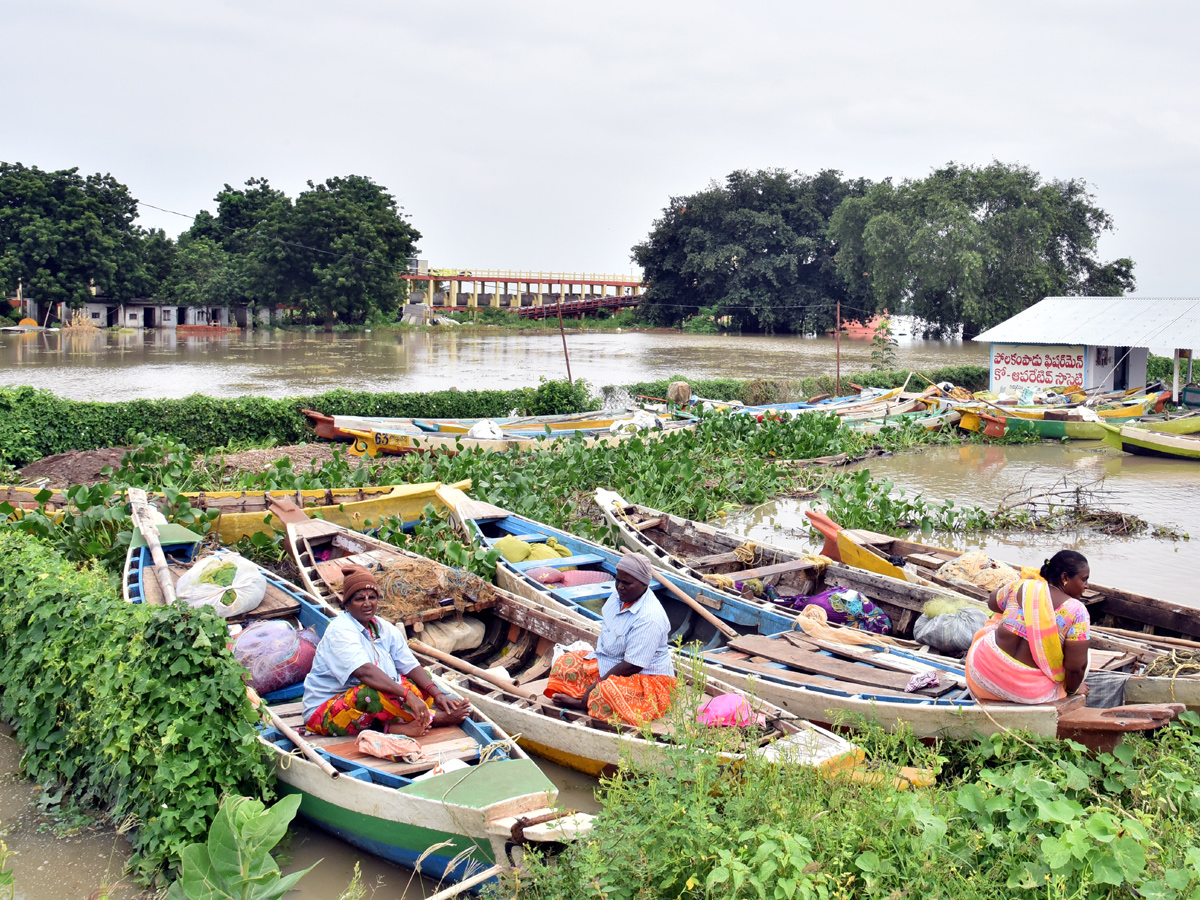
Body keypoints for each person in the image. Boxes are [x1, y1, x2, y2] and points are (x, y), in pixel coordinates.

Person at [303, 564, 471, 737]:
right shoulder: (340, 630)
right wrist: (407, 696)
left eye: (372, 597)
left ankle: (397, 725)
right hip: (326, 710)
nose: (367, 604)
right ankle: (434, 719)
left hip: (364, 703)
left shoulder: (383, 627)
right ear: (347, 604)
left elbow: (409, 665)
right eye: (359, 599)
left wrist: (438, 694)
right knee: (368, 694)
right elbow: (365, 673)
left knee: (419, 678)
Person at [546, 554, 676, 726]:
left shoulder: (650, 618)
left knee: (607, 692)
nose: (620, 587)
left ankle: (584, 702)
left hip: (645, 677)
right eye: (618, 580)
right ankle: (591, 698)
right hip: (611, 663)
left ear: (644, 584)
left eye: (627, 583)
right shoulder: (618, 596)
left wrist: (596, 686)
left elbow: (633, 665)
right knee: (565, 663)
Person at [965, 550, 1091, 705]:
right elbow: (1075, 668)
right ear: (1065, 578)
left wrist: (1018, 593)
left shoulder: (1022, 586)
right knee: (1084, 654)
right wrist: (1072, 691)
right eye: (1084, 580)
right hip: (1029, 693)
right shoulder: (1077, 611)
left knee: (998, 619)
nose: (1087, 586)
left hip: (982, 675)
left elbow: (992, 602)